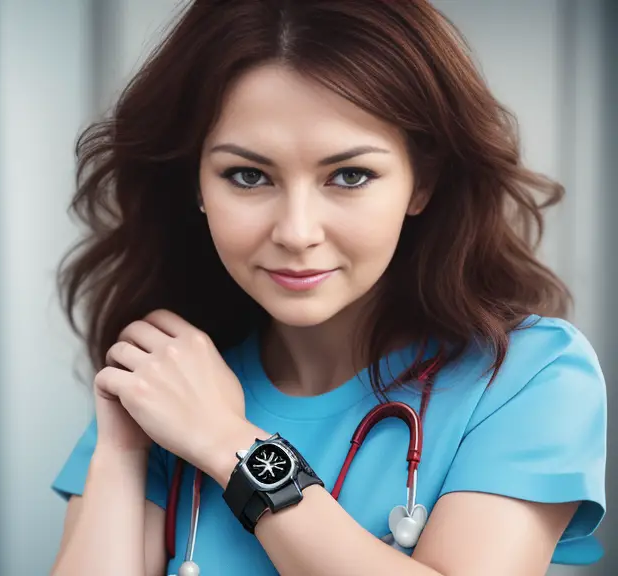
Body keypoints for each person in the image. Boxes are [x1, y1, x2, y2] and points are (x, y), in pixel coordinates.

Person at [49, 1, 607, 574]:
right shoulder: (170, 382)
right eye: (248, 176)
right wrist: (122, 451)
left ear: (423, 182)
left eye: (349, 176)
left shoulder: (527, 377)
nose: (296, 232)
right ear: (195, 184)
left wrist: (230, 445)